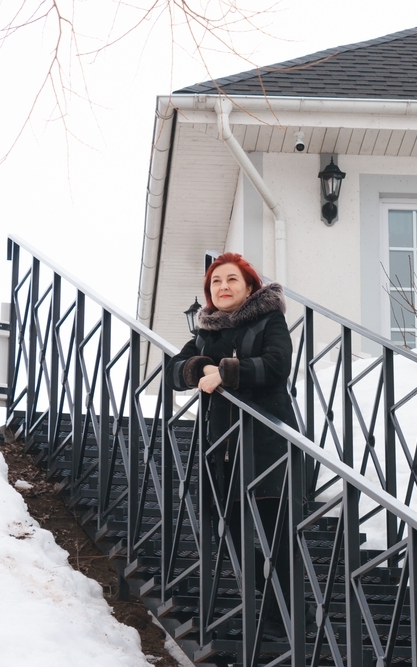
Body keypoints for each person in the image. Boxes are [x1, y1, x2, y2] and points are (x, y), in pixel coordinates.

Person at [166, 252, 297, 638]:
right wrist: (202, 367)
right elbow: (174, 371)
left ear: (250, 286)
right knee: (229, 533)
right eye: (216, 283)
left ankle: (282, 621)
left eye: (232, 280)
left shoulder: (270, 320)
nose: (223, 287)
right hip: (222, 450)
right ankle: (282, 598)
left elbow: (276, 365)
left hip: (269, 443)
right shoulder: (206, 333)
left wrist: (224, 374)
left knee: (276, 535)